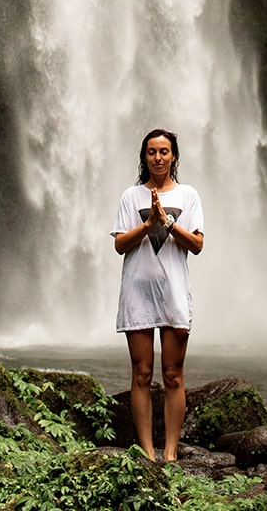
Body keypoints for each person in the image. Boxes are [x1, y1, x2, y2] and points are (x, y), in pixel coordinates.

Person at [111, 128, 204, 462]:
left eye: (164, 151)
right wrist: (148, 223)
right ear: (144, 157)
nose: (158, 157)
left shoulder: (188, 196)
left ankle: (171, 451)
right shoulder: (130, 197)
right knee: (141, 373)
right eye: (152, 152)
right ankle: (148, 452)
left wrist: (168, 223)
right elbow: (120, 244)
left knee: (173, 375)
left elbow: (197, 245)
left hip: (174, 292)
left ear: (174, 156)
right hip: (137, 292)